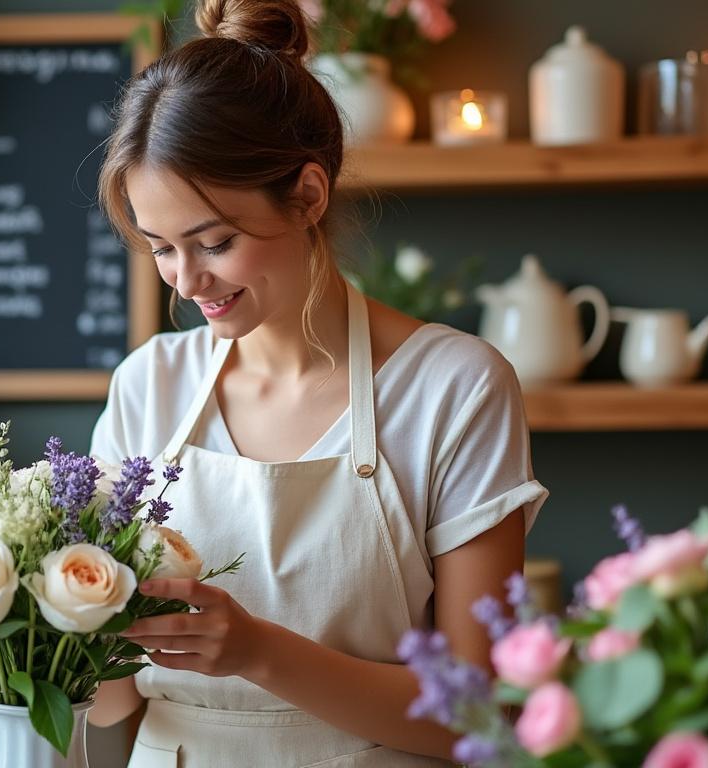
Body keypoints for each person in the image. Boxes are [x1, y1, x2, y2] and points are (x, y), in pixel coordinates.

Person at [87, 1, 547, 764]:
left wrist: (258, 652)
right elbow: (109, 704)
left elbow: (478, 709)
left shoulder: (454, 388)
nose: (186, 281)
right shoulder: (148, 386)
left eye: (215, 242)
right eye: (161, 247)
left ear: (306, 195)